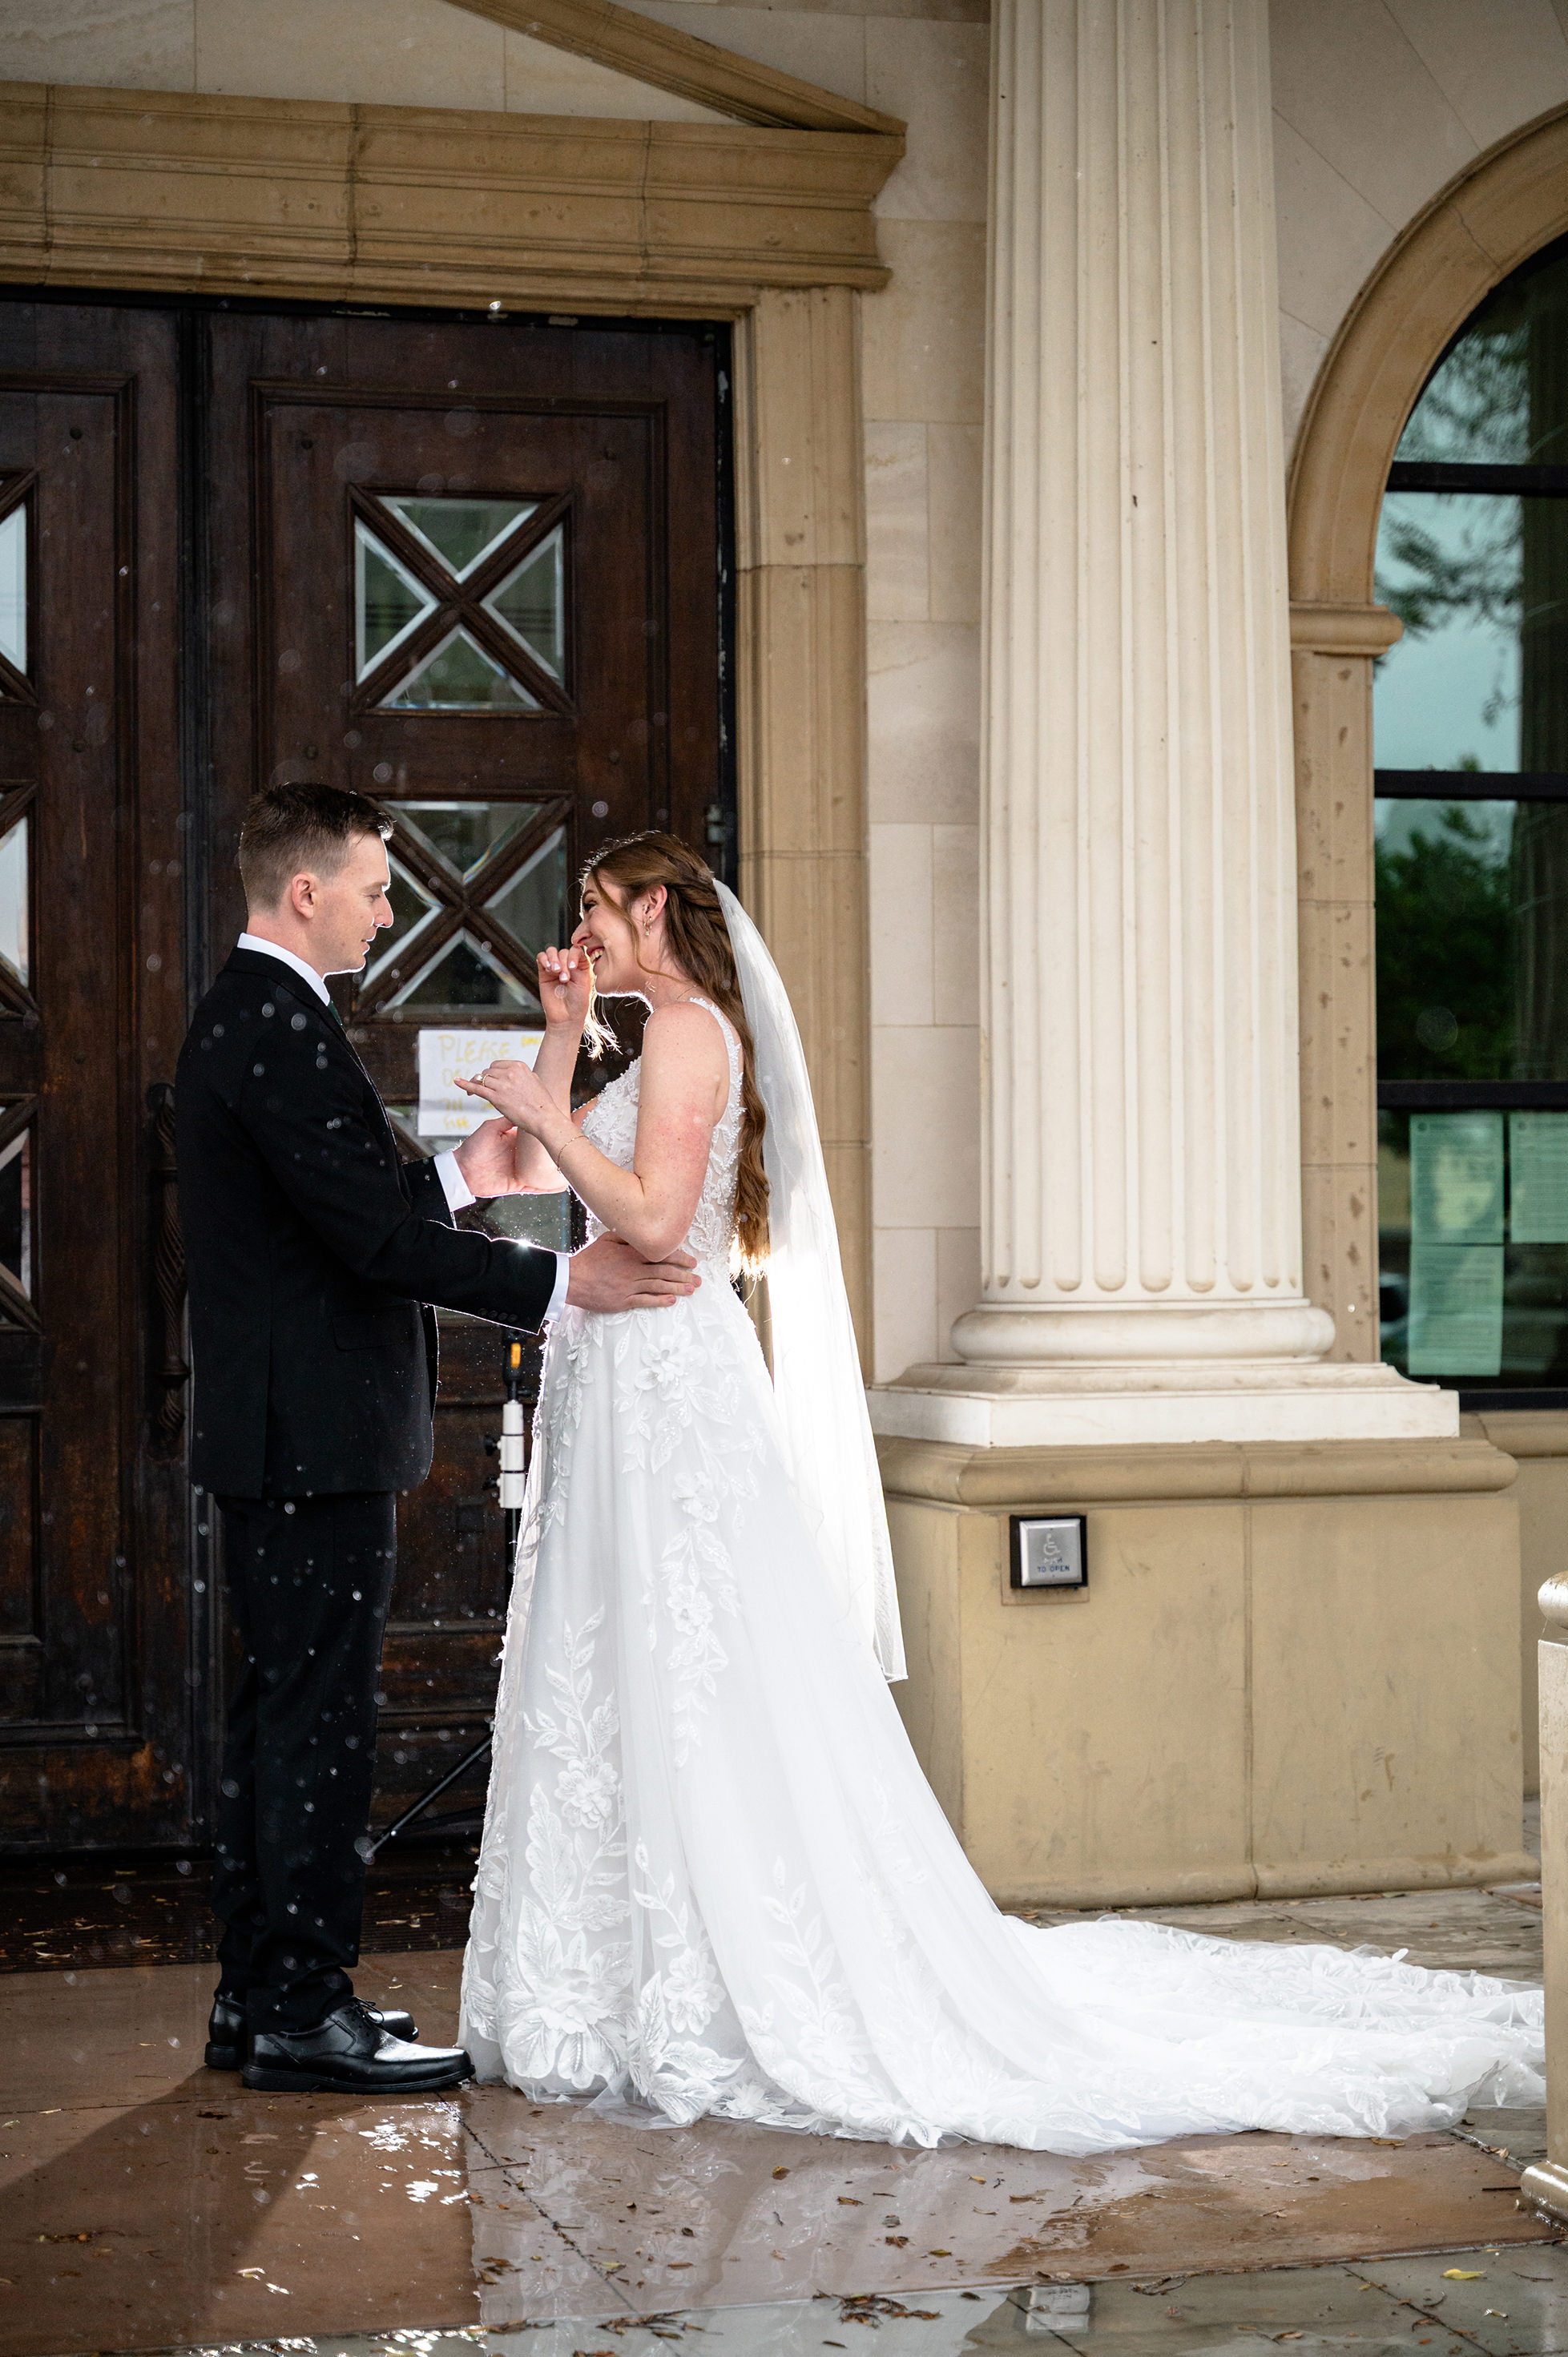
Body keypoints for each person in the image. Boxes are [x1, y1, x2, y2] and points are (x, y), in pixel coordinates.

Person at [453, 831, 1543, 2153]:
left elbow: (651, 1209)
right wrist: (563, 1042)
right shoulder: (640, 1034)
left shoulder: (687, 1032)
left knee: (695, 1667)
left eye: (597, 907)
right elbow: (528, 1178)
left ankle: (708, 1976)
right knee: (608, 1665)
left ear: (658, 908)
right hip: (613, 1378)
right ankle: (604, 1987)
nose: (583, 928)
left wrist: (555, 1112)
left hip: (663, 1387)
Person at [175, 784, 700, 2097]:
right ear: (308, 892)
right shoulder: (274, 1024)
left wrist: (468, 1169)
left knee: (281, 1714)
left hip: (295, 1433)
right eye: (375, 885)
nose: (391, 906)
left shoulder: (267, 1017)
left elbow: (355, 1203)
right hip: (312, 1438)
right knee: (318, 1722)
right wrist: (554, 1288)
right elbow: (364, 1241)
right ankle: (303, 2005)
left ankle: (260, 1995)